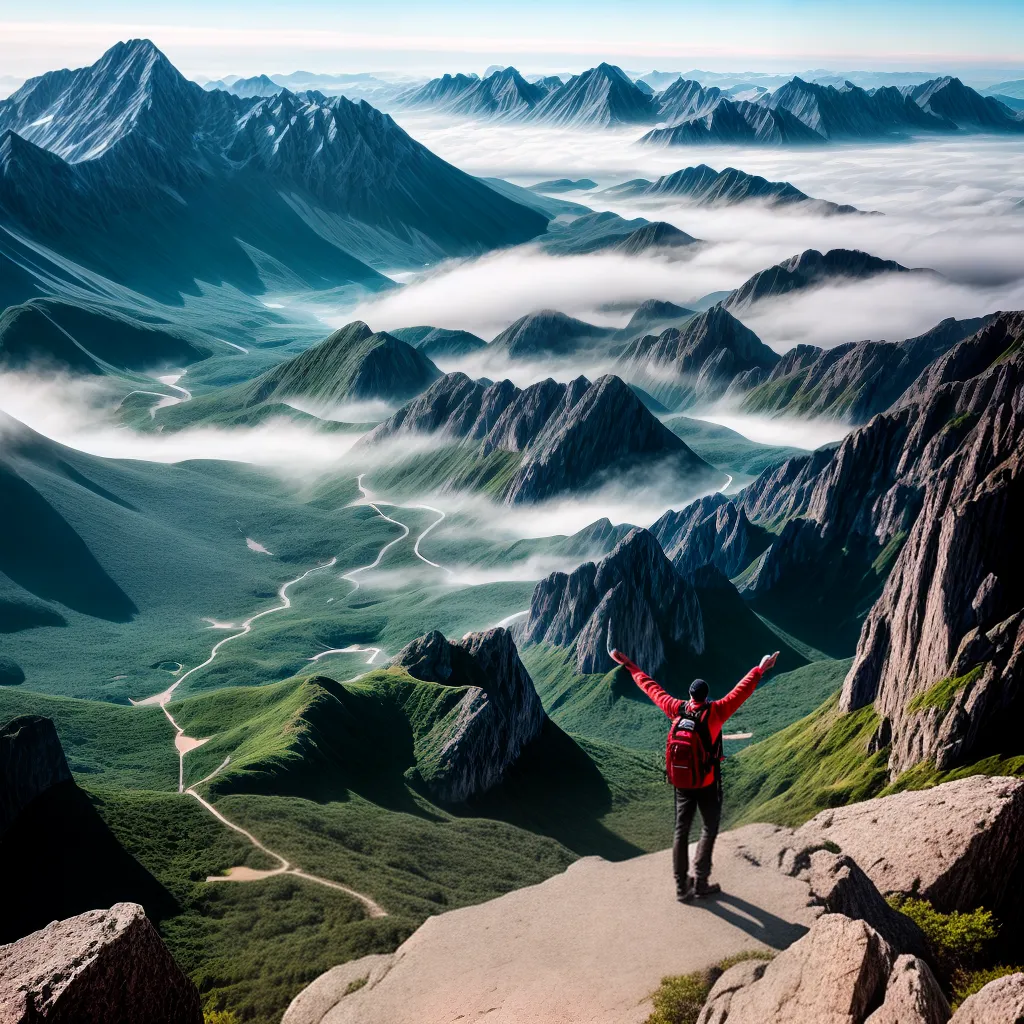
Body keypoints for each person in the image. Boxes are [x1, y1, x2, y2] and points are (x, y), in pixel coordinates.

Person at [609, 648, 779, 902]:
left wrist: (630, 665)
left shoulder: (675, 708)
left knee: (681, 830)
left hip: (682, 783)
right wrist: (761, 668)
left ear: (690, 696)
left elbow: (651, 687)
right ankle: (700, 881)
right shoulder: (717, 711)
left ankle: (681, 886)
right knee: (709, 827)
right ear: (706, 696)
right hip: (707, 782)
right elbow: (741, 691)